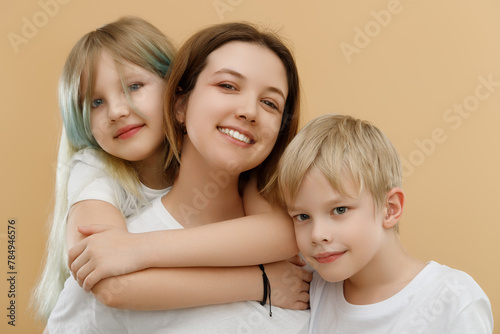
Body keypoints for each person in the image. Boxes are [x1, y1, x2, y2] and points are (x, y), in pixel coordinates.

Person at [43, 19, 311, 334]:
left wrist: (137, 249)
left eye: (270, 103)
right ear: (179, 103)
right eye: (227, 85)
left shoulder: (298, 238)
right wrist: (261, 283)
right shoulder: (95, 176)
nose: (250, 111)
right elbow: (109, 279)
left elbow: (280, 233)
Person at [274, 114, 493, 333]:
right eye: (302, 216)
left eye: (339, 210)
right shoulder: (314, 284)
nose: (317, 234)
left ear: (390, 209)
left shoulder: (454, 300)